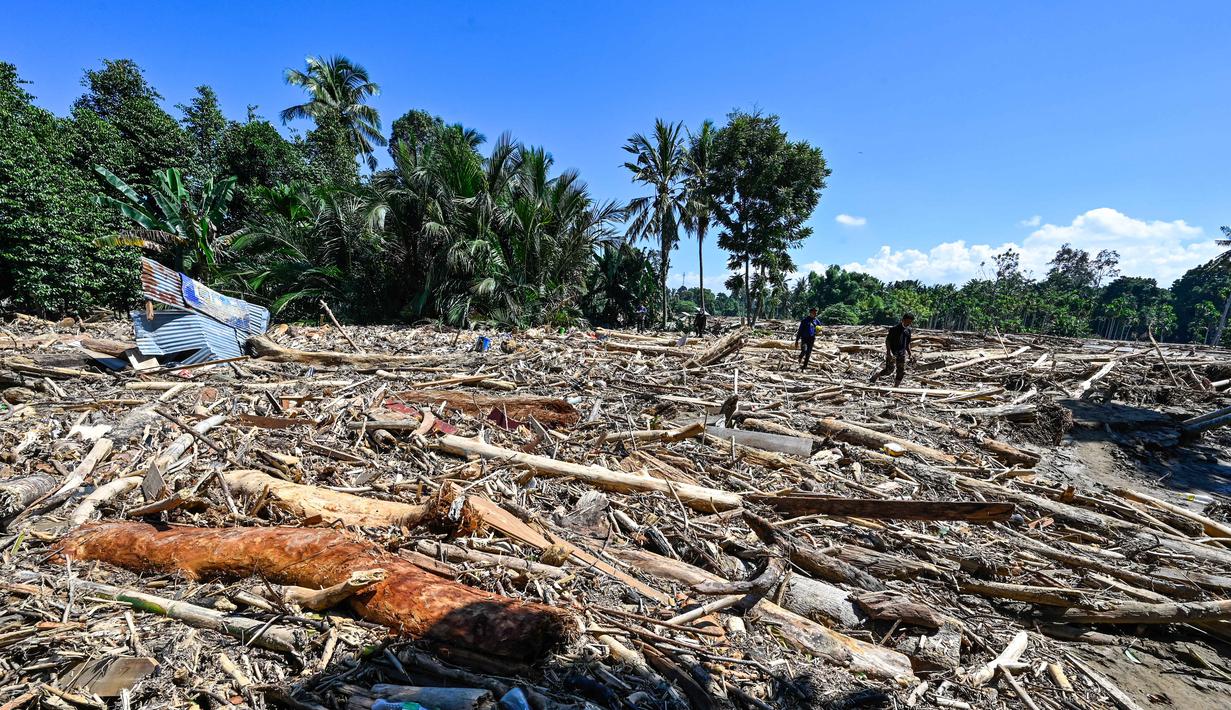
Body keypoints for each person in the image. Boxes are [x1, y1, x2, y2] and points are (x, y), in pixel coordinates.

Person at [870, 313, 915, 387]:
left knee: (901, 371)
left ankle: (896, 387)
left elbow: (907, 343)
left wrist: (910, 354)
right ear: (903, 320)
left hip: (902, 354)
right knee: (888, 370)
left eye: (910, 322)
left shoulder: (908, 330)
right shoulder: (894, 329)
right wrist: (888, 352)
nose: (908, 324)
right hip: (893, 352)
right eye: (907, 322)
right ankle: (876, 376)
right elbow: (888, 341)